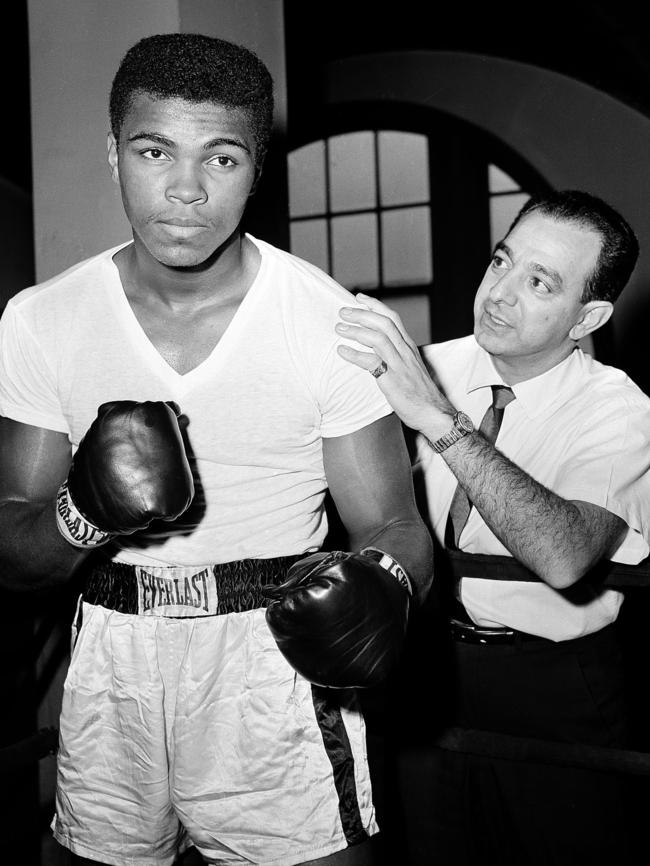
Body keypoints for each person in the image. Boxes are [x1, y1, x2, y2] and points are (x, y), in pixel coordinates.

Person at [0, 33, 433, 866]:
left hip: (273, 655)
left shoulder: (323, 321)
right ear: (113, 154)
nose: (186, 190)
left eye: (222, 159)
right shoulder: (41, 319)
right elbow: (15, 551)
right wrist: (81, 516)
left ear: (256, 169)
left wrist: (383, 584)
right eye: (155, 150)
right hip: (113, 654)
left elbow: (395, 523)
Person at [335, 189, 650, 866]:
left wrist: (438, 420)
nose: (500, 294)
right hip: (423, 664)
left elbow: (564, 557)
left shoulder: (619, 411)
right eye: (500, 263)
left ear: (587, 315)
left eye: (539, 283)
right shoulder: (427, 366)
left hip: (552, 684)